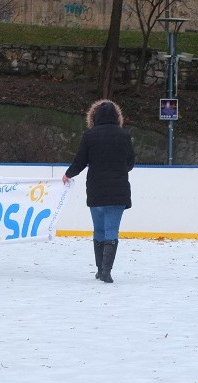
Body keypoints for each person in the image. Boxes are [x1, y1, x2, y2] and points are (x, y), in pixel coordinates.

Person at [62, 99, 135, 284]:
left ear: (95, 117)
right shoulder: (124, 135)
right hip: (118, 190)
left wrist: (68, 175)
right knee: (112, 230)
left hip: (96, 190)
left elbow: (80, 161)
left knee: (99, 231)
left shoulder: (89, 135)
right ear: (117, 116)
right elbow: (130, 163)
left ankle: (98, 269)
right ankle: (106, 271)